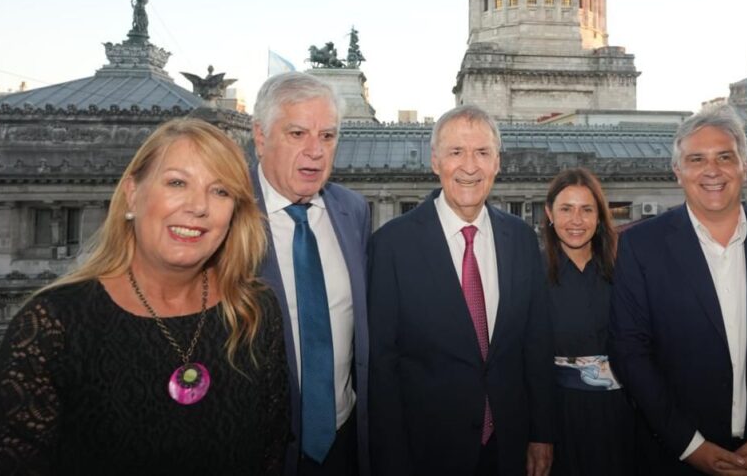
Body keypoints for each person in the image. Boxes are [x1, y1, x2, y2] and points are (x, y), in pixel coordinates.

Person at [0, 118, 289, 474]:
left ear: (235, 213)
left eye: (220, 191)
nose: (198, 206)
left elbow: (271, 453)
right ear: (132, 194)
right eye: (177, 182)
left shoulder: (255, 311)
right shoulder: (53, 325)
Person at [609, 104, 747, 476]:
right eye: (696, 159)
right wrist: (691, 445)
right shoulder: (642, 247)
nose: (712, 170)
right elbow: (629, 351)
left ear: (744, 166)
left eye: (725, 157)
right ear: (677, 171)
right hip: (676, 456)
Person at [368, 105, 555, 476]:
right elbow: (381, 366)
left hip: (509, 448)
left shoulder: (520, 239)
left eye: (482, 153)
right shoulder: (391, 245)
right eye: (456, 152)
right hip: (427, 452)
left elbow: (536, 346)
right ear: (435, 161)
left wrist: (542, 433)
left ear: (497, 163)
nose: (470, 167)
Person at [251, 72, 371, 476]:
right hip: (259, 448)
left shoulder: (352, 211)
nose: (315, 151)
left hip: (344, 441)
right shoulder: (226, 215)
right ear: (261, 136)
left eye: (328, 136)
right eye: (298, 133)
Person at [542, 168, 633, 475]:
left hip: (626, 412)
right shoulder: (530, 271)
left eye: (586, 209)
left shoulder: (627, 268)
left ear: (600, 215)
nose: (576, 221)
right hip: (558, 415)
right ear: (549, 214)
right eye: (566, 209)